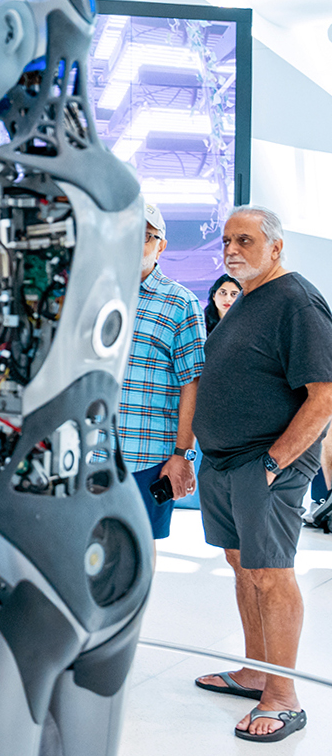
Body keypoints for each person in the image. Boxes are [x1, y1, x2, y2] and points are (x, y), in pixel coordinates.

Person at [191, 206, 332, 743]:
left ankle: (284, 696)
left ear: (275, 248)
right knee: (242, 565)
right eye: (227, 240)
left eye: (245, 240)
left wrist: (274, 463)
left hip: (264, 464)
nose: (231, 248)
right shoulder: (248, 299)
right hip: (225, 463)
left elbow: (324, 397)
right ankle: (256, 673)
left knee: (271, 573)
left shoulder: (295, 299)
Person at [119, 200, 205, 541]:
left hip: (147, 456)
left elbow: (193, 383)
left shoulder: (180, 303)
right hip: (90, 452)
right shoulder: (94, 293)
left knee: (137, 548)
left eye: (145, 235)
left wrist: (183, 455)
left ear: (161, 245)